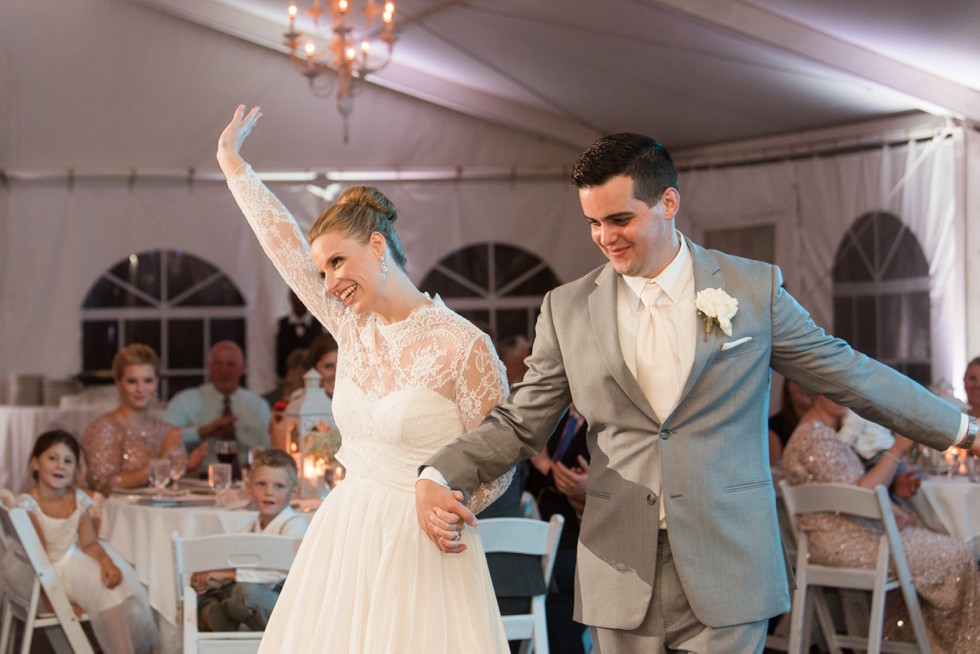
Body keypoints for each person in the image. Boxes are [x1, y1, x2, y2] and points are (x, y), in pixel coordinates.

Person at [416, 133, 979, 653]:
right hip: (619, 565)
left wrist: (961, 428)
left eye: (619, 218)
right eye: (592, 222)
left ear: (668, 202)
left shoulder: (752, 290)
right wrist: (441, 473)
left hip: (729, 559)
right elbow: (521, 423)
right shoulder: (565, 308)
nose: (605, 238)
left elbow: (847, 372)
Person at [216, 104, 513, 653]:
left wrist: (446, 504)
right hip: (345, 533)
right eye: (322, 270)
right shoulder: (352, 327)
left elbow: (499, 460)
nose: (328, 283)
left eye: (336, 263)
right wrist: (233, 164)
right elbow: (281, 244)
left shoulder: (463, 344)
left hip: (422, 544)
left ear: (378, 247)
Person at [782, 395, 980, 652]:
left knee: (933, 542)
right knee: (957, 553)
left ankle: (920, 643)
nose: (842, 397)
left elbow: (848, 494)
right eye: (830, 390)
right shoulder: (816, 438)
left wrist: (896, 511)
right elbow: (861, 496)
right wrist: (897, 449)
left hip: (836, 542)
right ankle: (959, 646)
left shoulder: (822, 436)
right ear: (812, 393)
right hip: (851, 546)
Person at [17, 430, 159, 653]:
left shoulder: (78, 500)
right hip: (41, 576)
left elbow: (90, 544)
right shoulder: (28, 504)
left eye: (68, 461)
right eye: (52, 458)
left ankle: (124, 650)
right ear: (35, 463)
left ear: (75, 470)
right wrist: (57, 601)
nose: (60, 466)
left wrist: (106, 562)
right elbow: (40, 561)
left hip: (70, 562)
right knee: (105, 593)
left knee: (116, 587)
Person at [193, 449, 308, 632]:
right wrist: (212, 579)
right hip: (254, 605)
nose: (268, 492)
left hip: (285, 610)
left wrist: (229, 574)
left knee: (246, 592)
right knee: (214, 591)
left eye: (279, 486)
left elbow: (279, 572)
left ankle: (224, 618)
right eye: (261, 484)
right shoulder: (249, 528)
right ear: (249, 488)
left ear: (294, 492)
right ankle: (217, 615)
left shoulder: (295, 525)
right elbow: (236, 563)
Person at [81, 344, 204, 495]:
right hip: (120, 515)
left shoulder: (167, 431)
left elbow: (175, 488)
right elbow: (105, 485)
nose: (141, 389)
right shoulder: (104, 429)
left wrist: (189, 470)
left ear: (156, 382)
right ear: (118, 383)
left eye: (147, 380)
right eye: (132, 381)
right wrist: (159, 461)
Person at [525, 403, 590, 654]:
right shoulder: (557, 414)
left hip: (572, 534)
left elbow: (575, 481)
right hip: (535, 525)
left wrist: (544, 464)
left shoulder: (599, 423)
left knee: (561, 585)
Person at [165, 340, 271, 472]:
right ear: (208, 367)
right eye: (217, 364)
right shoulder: (185, 401)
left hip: (247, 478)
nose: (223, 371)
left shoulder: (258, 406)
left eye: (230, 364)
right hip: (200, 478)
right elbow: (163, 437)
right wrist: (203, 432)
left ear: (242, 368)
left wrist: (255, 464)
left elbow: (269, 447)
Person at [276, 289, 324, 379]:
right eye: (295, 296)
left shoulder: (319, 324)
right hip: (287, 380)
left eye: (301, 296)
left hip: (314, 379)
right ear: (290, 299)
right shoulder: (281, 324)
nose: (299, 300)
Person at [767, 378, 812, 465]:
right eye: (797, 381)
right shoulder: (773, 427)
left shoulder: (832, 424)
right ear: (788, 386)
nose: (804, 387)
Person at [304, 332, 339, 398]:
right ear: (314, 369)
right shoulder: (298, 406)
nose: (336, 374)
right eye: (329, 366)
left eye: (341, 367)